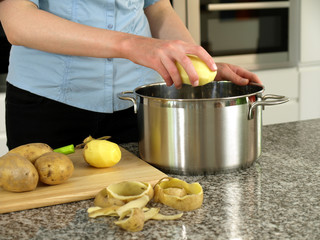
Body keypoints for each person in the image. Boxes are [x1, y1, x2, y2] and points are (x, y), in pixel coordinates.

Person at [0, 0, 261, 150]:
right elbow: (18, 21)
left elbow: (157, 8)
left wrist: (198, 66)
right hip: (48, 106)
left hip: (136, 106)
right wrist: (130, 45)